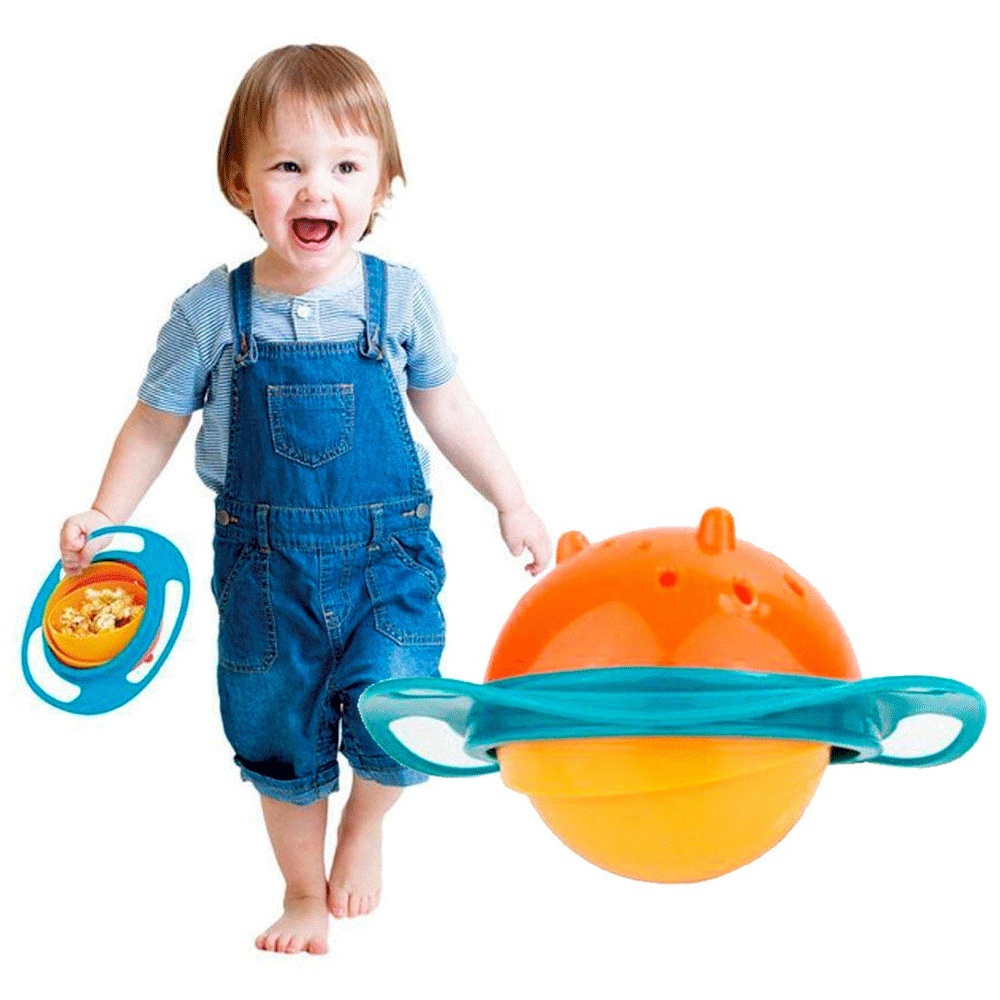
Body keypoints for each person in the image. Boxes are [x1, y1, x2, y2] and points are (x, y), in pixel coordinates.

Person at [58, 44, 551, 956]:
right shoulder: (213, 311)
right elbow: (155, 421)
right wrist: (105, 513)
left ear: (384, 184)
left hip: (386, 559)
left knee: (403, 705)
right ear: (240, 183)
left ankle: (365, 824)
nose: (316, 187)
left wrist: (510, 500)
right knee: (275, 731)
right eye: (287, 165)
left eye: (346, 167)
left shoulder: (398, 299)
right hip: (262, 571)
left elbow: (447, 404)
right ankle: (299, 889)